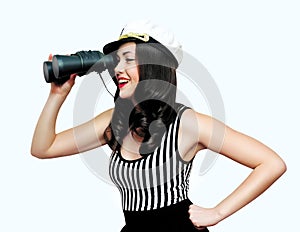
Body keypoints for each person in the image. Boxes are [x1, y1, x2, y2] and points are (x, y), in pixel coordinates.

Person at [31, 19, 287, 232]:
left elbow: (271, 163)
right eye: (116, 60)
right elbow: (44, 148)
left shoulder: (188, 123)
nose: (118, 68)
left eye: (128, 59)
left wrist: (218, 212)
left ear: (154, 64)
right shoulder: (114, 121)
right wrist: (58, 95)